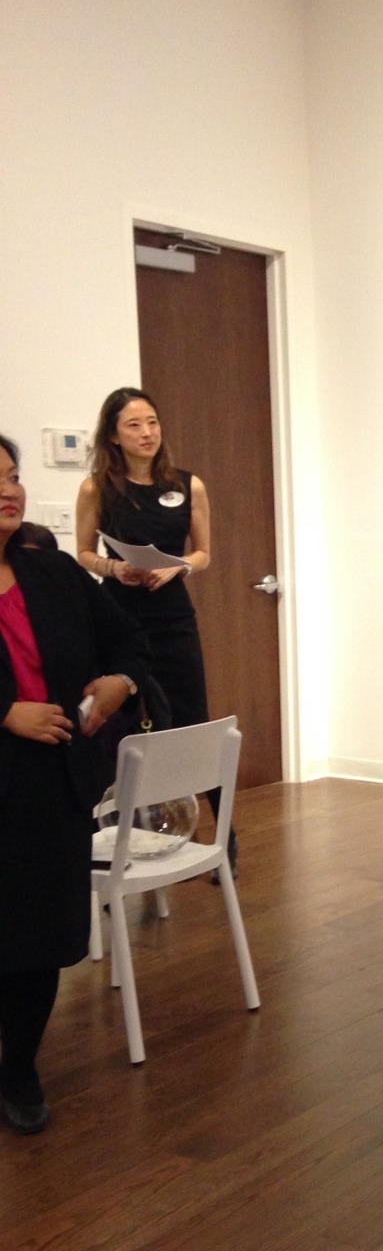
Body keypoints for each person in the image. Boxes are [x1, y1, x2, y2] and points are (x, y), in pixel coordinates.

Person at [0, 432, 146, 1133]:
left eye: (12, 476)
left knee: (39, 936)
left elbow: (127, 640)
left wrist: (120, 682)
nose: (9, 490)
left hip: (50, 784)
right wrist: (4, 710)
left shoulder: (50, 571)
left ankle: (19, 1067)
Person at [75, 387, 233, 873]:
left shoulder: (188, 484)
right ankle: (115, 842)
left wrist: (179, 566)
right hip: (119, 617)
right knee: (124, 725)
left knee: (192, 720)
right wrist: (114, 568)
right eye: (134, 425)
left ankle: (225, 838)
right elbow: (83, 552)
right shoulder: (96, 488)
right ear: (113, 436)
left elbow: (203, 553)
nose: (147, 433)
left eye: (152, 422)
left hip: (173, 617)